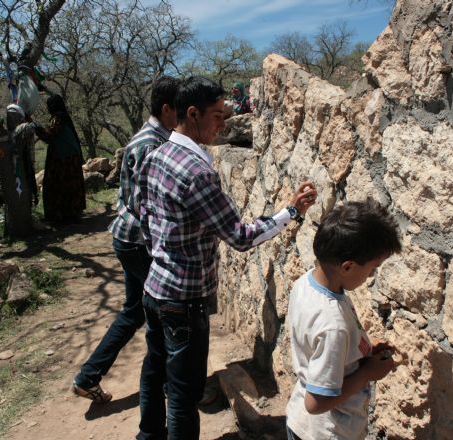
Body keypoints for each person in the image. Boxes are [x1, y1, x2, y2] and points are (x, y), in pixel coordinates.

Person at [134, 76, 318, 440]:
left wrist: (165, 253)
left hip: (155, 289)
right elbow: (238, 236)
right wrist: (290, 212)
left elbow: (143, 215)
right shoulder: (197, 172)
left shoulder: (155, 156)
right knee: (184, 396)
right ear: (192, 113)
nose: (224, 124)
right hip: (183, 301)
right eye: (217, 116)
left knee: (154, 372)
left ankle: (147, 436)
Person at [71, 77, 181, 402]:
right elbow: (144, 204)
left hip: (128, 238)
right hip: (139, 243)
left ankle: (88, 376)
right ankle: (170, 385)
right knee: (164, 310)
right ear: (166, 109)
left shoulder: (148, 139)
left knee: (134, 312)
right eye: (180, 110)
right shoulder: (152, 145)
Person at [285, 200, 402, 440]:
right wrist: (366, 373)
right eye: (372, 269)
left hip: (302, 424)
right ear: (347, 267)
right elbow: (315, 403)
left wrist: (363, 352)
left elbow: (322, 352)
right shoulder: (333, 325)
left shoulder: (306, 283)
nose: (371, 276)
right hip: (327, 431)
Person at [35, 94, 86, 223]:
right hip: (70, 157)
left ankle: (62, 216)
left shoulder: (58, 119)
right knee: (70, 186)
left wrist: (35, 128)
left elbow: (49, 136)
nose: (48, 108)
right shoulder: (63, 118)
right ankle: (71, 213)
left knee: (58, 185)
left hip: (64, 160)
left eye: (49, 105)